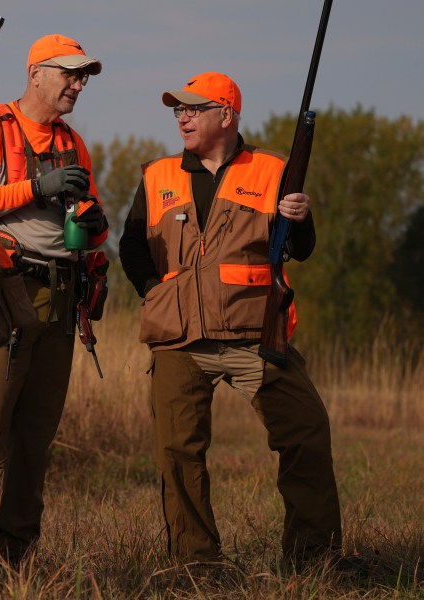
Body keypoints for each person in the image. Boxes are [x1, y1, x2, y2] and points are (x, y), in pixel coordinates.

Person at [118, 72, 343, 568]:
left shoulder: (271, 169)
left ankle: (314, 559)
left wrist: (301, 219)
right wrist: (154, 292)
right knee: (177, 451)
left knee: (305, 432)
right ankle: (196, 564)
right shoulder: (157, 175)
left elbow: (298, 250)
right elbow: (131, 245)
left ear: (227, 115)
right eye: (178, 109)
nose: (182, 116)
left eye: (194, 109)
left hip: (252, 332)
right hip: (178, 336)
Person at [0, 34, 109, 564]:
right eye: (71, 74)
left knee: (36, 435)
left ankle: (17, 549)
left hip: (61, 299)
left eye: (84, 77)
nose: (79, 85)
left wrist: (98, 227)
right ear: (36, 73)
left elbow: (88, 218)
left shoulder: (74, 142)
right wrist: (37, 188)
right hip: (4, 295)